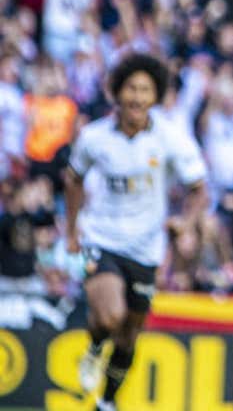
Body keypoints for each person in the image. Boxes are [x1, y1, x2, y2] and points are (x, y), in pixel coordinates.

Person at [65, 53, 208, 411]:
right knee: (110, 315)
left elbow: (199, 187)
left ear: (155, 96)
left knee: (129, 334)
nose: (138, 98)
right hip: (102, 238)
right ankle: (95, 345)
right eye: (131, 88)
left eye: (146, 90)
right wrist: (72, 229)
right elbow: (73, 179)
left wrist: (187, 224)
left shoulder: (170, 136)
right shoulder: (94, 137)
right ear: (118, 92)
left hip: (146, 247)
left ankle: (107, 402)